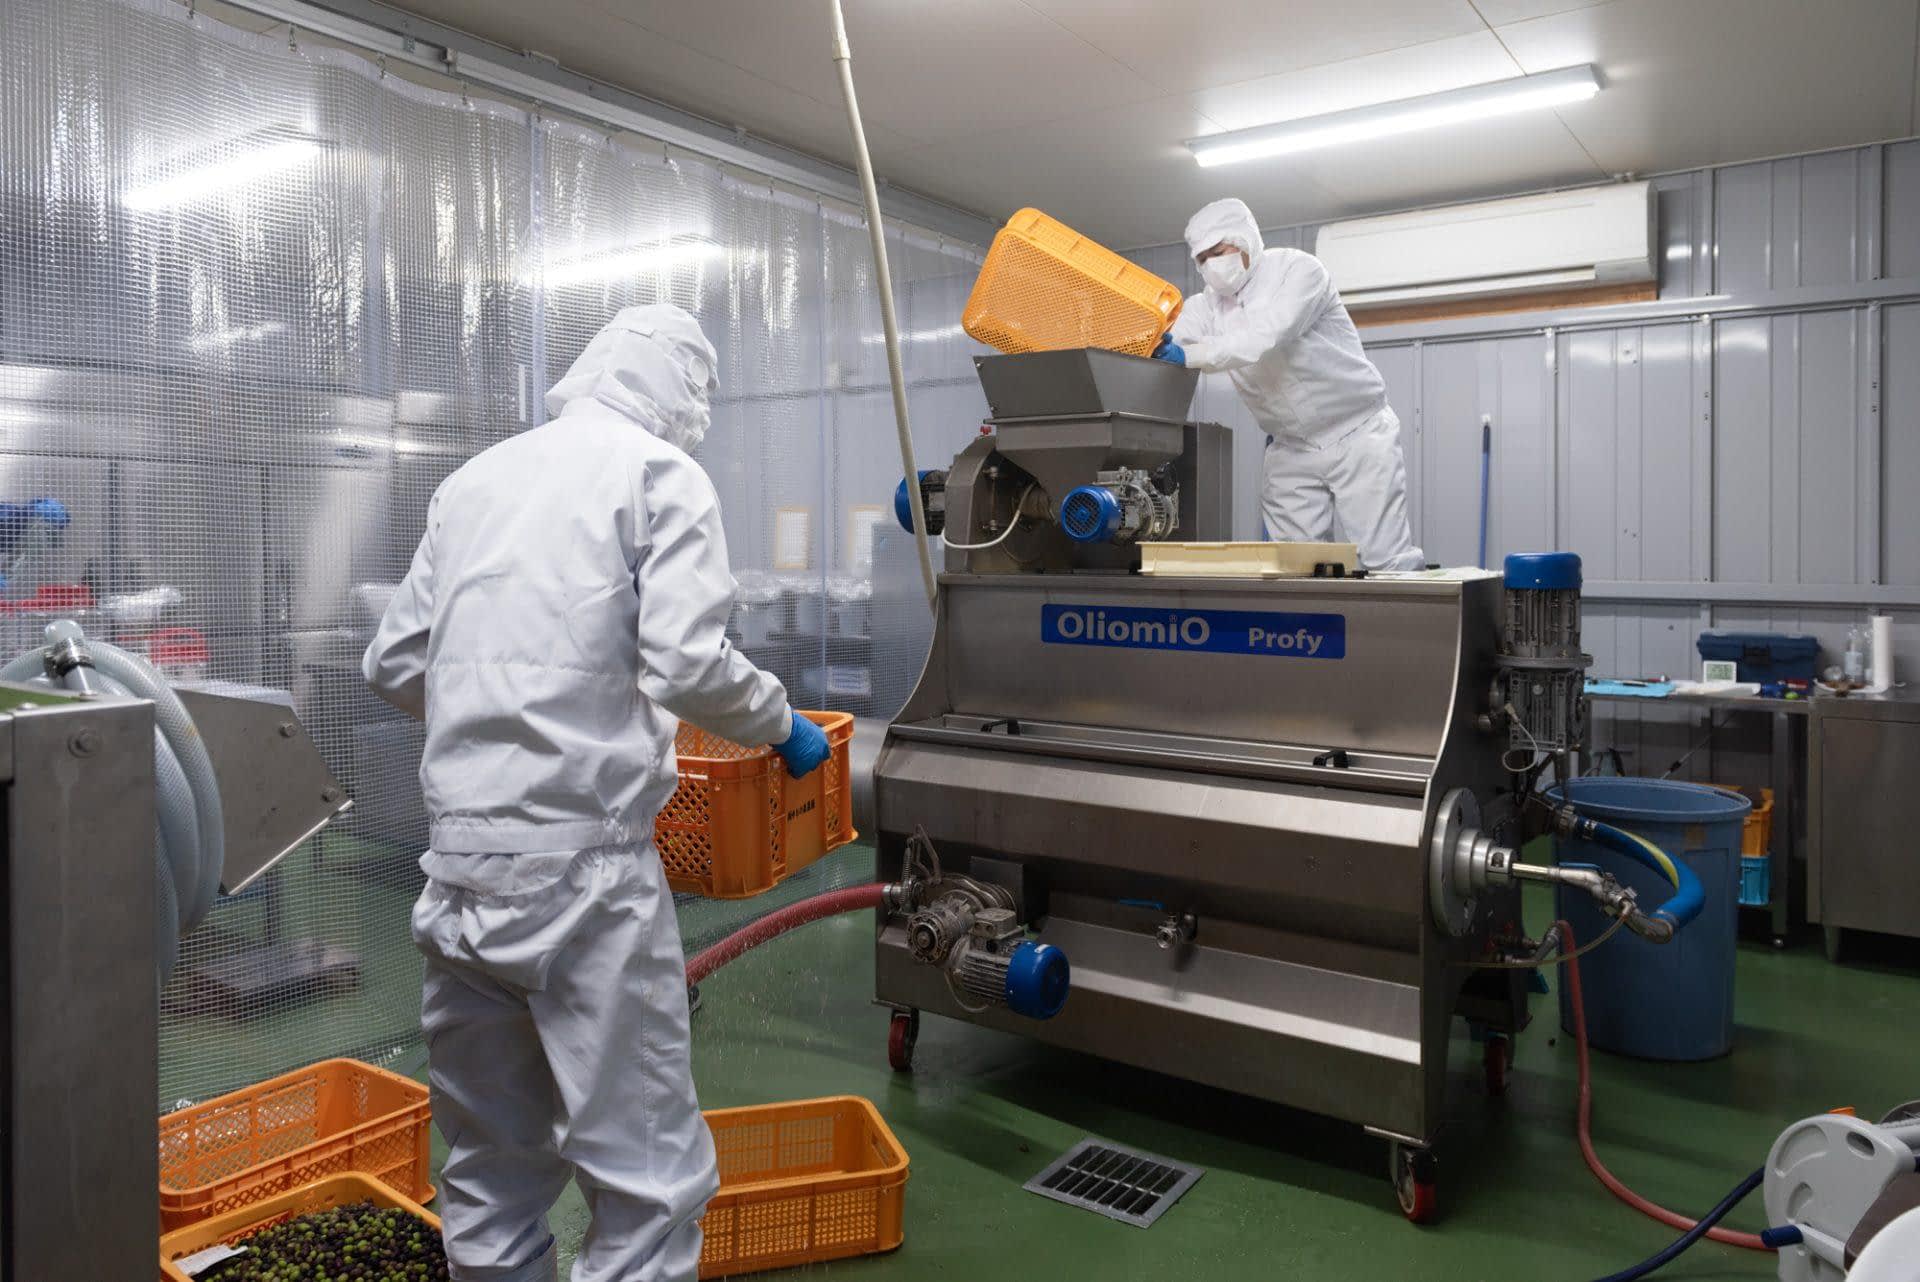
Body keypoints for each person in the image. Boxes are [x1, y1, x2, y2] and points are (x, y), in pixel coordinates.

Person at [362, 303, 831, 1282]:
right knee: (647, 1183)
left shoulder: (472, 481)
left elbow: (395, 661)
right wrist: (780, 722)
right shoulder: (659, 473)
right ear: (681, 392)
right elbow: (687, 663)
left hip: (458, 873)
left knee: (489, 1170)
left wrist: (504, 715)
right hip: (586, 882)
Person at [1154, 197, 1425, 572]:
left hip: (1357, 431)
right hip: (1290, 447)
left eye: (1218, 251)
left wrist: (1188, 355)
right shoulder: (1205, 307)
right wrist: (1155, 342)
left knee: (1386, 559)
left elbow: (1265, 336)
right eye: (1202, 259)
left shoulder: (1298, 272)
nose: (1211, 265)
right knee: (1298, 566)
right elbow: (1164, 343)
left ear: (1245, 240)